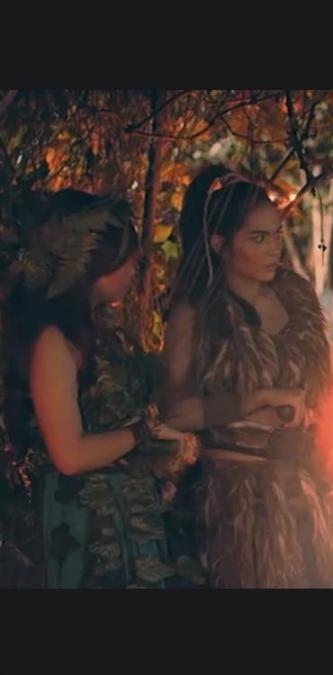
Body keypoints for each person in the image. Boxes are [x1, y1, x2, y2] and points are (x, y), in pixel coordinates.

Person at [160, 165, 333, 588]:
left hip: (307, 491)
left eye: (276, 235)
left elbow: (325, 394)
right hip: (238, 502)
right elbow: (175, 412)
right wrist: (256, 399)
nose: (273, 249)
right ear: (220, 244)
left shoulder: (296, 297)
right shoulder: (197, 313)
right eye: (257, 238)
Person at [1, 189, 199, 588]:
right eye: (128, 260)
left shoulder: (102, 332)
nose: (135, 269)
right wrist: (143, 431)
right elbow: (69, 454)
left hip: (122, 519)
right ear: (93, 262)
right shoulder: (53, 343)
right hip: (80, 528)